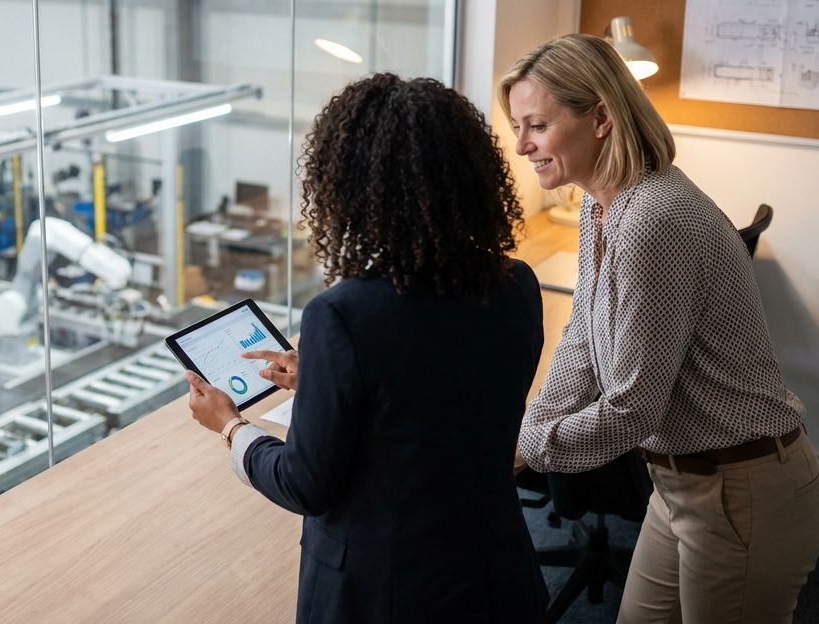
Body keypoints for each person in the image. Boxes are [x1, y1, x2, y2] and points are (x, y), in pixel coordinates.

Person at [185, 73, 549, 624]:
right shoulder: (517, 284)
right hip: (497, 577)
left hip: (387, 595)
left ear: (350, 189)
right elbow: (439, 397)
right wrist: (331, 378)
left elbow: (305, 484)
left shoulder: (342, 314)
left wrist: (231, 427)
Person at [499, 34, 819, 624]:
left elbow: (633, 408)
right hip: (678, 485)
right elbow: (581, 338)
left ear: (600, 117)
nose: (521, 145)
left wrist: (529, 449)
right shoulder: (603, 207)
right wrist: (533, 426)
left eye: (536, 125)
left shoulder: (652, 220)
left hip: (743, 492)